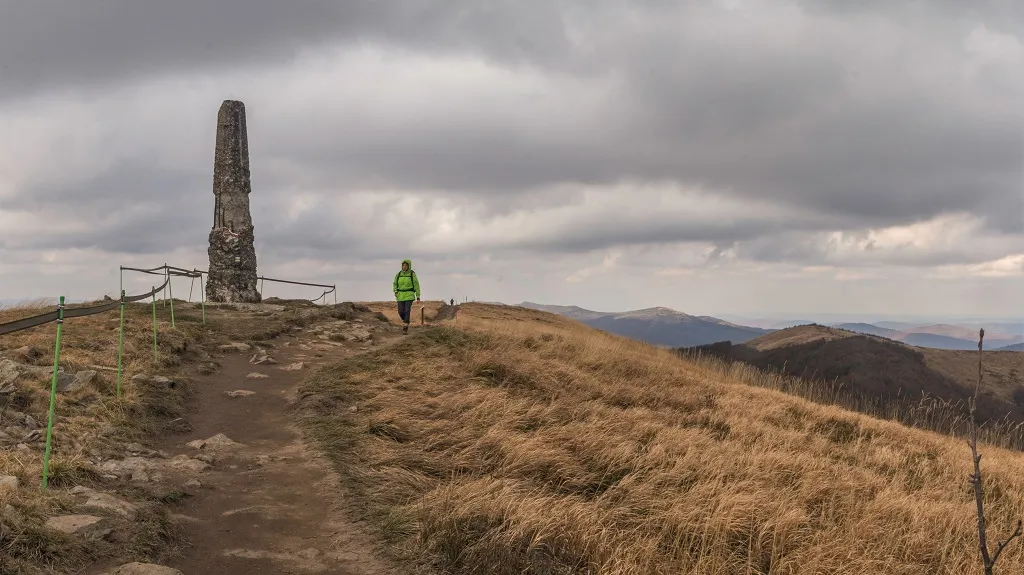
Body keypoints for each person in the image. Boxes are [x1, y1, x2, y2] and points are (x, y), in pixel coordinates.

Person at [393, 259, 420, 334]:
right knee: (400, 311)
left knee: (407, 310)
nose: (404, 267)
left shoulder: (412, 274)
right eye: (403, 265)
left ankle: (405, 326)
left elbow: (416, 285)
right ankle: (406, 320)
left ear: (409, 266)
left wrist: (418, 296)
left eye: (405, 265)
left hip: (409, 295)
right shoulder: (398, 274)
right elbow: (395, 283)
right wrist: (395, 291)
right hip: (400, 295)